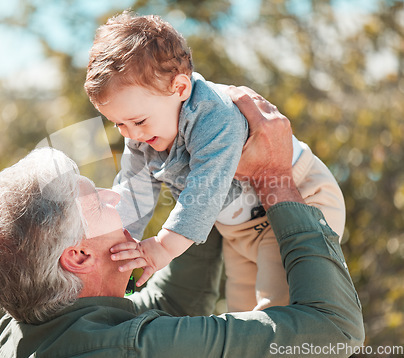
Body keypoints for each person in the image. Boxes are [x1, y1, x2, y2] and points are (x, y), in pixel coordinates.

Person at [0, 87, 364, 357]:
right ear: (78, 256)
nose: (113, 194)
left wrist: (200, 171)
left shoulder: (12, 335)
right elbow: (336, 332)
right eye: (97, 202)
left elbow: (171, 305)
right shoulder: (134, 348)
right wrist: (274, 177)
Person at [84, 11, 346, 311]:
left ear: (180, 89)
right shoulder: (143, 135)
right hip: (241, 229)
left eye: (138, 121)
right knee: (242, 314)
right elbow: (133, 191)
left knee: (276, 310)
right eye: (118, 124)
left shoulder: (214, 115)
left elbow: (204, 190)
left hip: (298, 199)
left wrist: (162, 248)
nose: (131, 134)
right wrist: (116, 250)